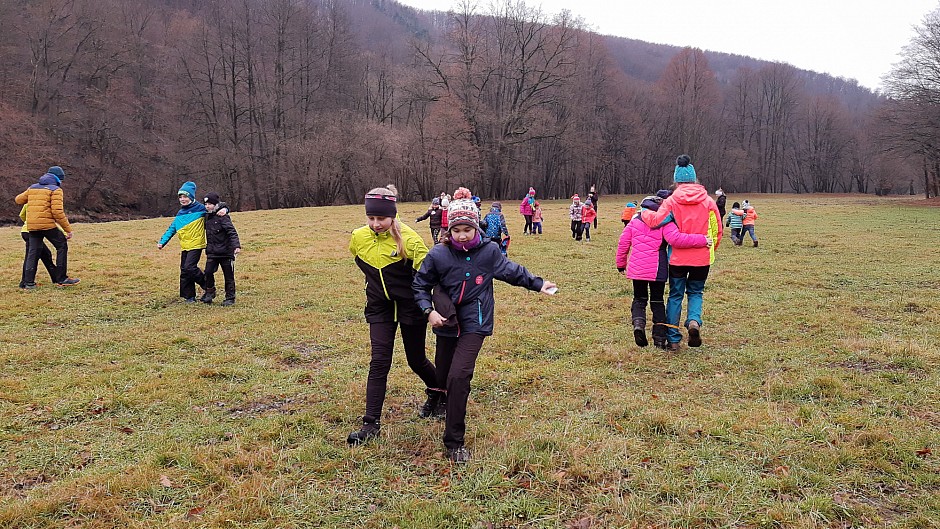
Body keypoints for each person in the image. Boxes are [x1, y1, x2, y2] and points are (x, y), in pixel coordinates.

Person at [413, 198, 557, 463]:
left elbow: (510, 271)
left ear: (476, 228)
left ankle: (454, 442)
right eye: (456, 230)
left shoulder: (489, 251)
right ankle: (438, 399)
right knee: (443, 376)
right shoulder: (437, 254)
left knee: (459, 377)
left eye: (467, 229)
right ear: (449, 230)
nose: (462, 235)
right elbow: (420, 285)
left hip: (475, 323)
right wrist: (428, 311)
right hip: (446, 321)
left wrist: (538, 284)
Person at [347, 185, 442, 445]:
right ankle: (370, 424)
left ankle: (440, 392)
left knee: (415, 359)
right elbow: (360, 262)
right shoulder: (358, 237)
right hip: (380, 306)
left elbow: (427, 278)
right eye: (371, 218)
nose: (376, 224)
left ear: (393, 215)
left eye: (381, 219)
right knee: (379, 361)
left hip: (411, 306)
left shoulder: (410, 240)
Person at [640, 155, 722, 351]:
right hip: (702, 257)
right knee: (695, 292)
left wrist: (643, 212)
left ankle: (674, 338)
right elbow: (717, 230)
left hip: (677, 258)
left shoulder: (671, 201)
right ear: (695, 179)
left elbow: (655, 221)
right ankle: (694, 321)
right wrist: (710, 249)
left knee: (675, 295)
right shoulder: (709, 201)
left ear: (676, 180)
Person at [617, 195, 710, 349]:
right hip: (657, 269)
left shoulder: (634, 222)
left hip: (637, 269)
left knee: (639, 299)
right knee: (657, 302)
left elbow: (623, 243)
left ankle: (638, 324)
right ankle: (660, 339)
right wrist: (702, 240)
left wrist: (621, 264)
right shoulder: (664, 223)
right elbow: (676, 239)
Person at [15, 166, 79, 288]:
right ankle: (61, 278)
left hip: (32, 226)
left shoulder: (32, 188)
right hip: (47, 225)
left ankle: (28, 283)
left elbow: (18, 200)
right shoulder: (56, 190)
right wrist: (67, 229)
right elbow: (57, 212)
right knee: (61, 245)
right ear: (58, 179)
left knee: (33, 253)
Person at [157, 181, 208, 303]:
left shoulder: (201, 209)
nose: (182, 199)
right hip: (185, 245)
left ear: (191, 196)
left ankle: (208, 286)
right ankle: (189, 296)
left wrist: (225, 209)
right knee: (184, 270)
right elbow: (172, 228)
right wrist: (162, 242)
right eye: (180, 197)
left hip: (196, 244)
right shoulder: (180, 213)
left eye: (185, 196)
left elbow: (216, 209)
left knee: (190, 267)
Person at [201, 192, 240, 306]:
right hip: (212, 252)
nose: (207, 206)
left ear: (215, 204)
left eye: (209, 204)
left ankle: (230, 297)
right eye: (206, 204)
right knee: (208, 272)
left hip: (226, 252)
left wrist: (236, 246)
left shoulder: (223, 217)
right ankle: (210, 292)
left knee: (228, 276)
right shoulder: (207, 217)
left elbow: (232, 232)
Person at [18, 204, 59, 288]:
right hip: (33, 232)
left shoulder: (29, 202)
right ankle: (27, 282)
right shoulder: (44, 204)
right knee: (32, 257)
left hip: (25, 231)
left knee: (45, 254)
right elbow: (50, 221)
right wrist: (65, 232)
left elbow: (22, 215)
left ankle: (56, 278)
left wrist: (28, 222)